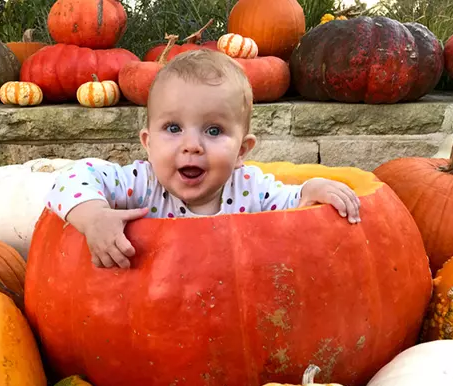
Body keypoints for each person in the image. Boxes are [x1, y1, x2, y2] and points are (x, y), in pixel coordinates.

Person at [46, 49, 361, 269]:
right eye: (173, 128)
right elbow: (72, 178)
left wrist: (311, 191)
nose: (192, 145)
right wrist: (93, 217)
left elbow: (293, 206)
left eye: (213, 130)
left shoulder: (250, 188)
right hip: (151, 312)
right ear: (148, 142)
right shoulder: (141, 185)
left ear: (241, 150)